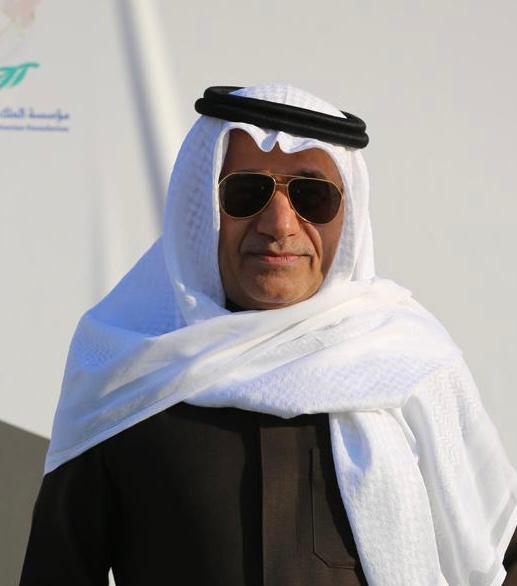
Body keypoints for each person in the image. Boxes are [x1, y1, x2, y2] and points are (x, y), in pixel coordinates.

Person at [20, 84, 517, 585]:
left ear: (348, 214)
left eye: (312, 196)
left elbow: (502, 553)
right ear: (202, 209)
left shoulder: (414, 364)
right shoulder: (125, 373)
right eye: (246, 192)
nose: (280, 225)